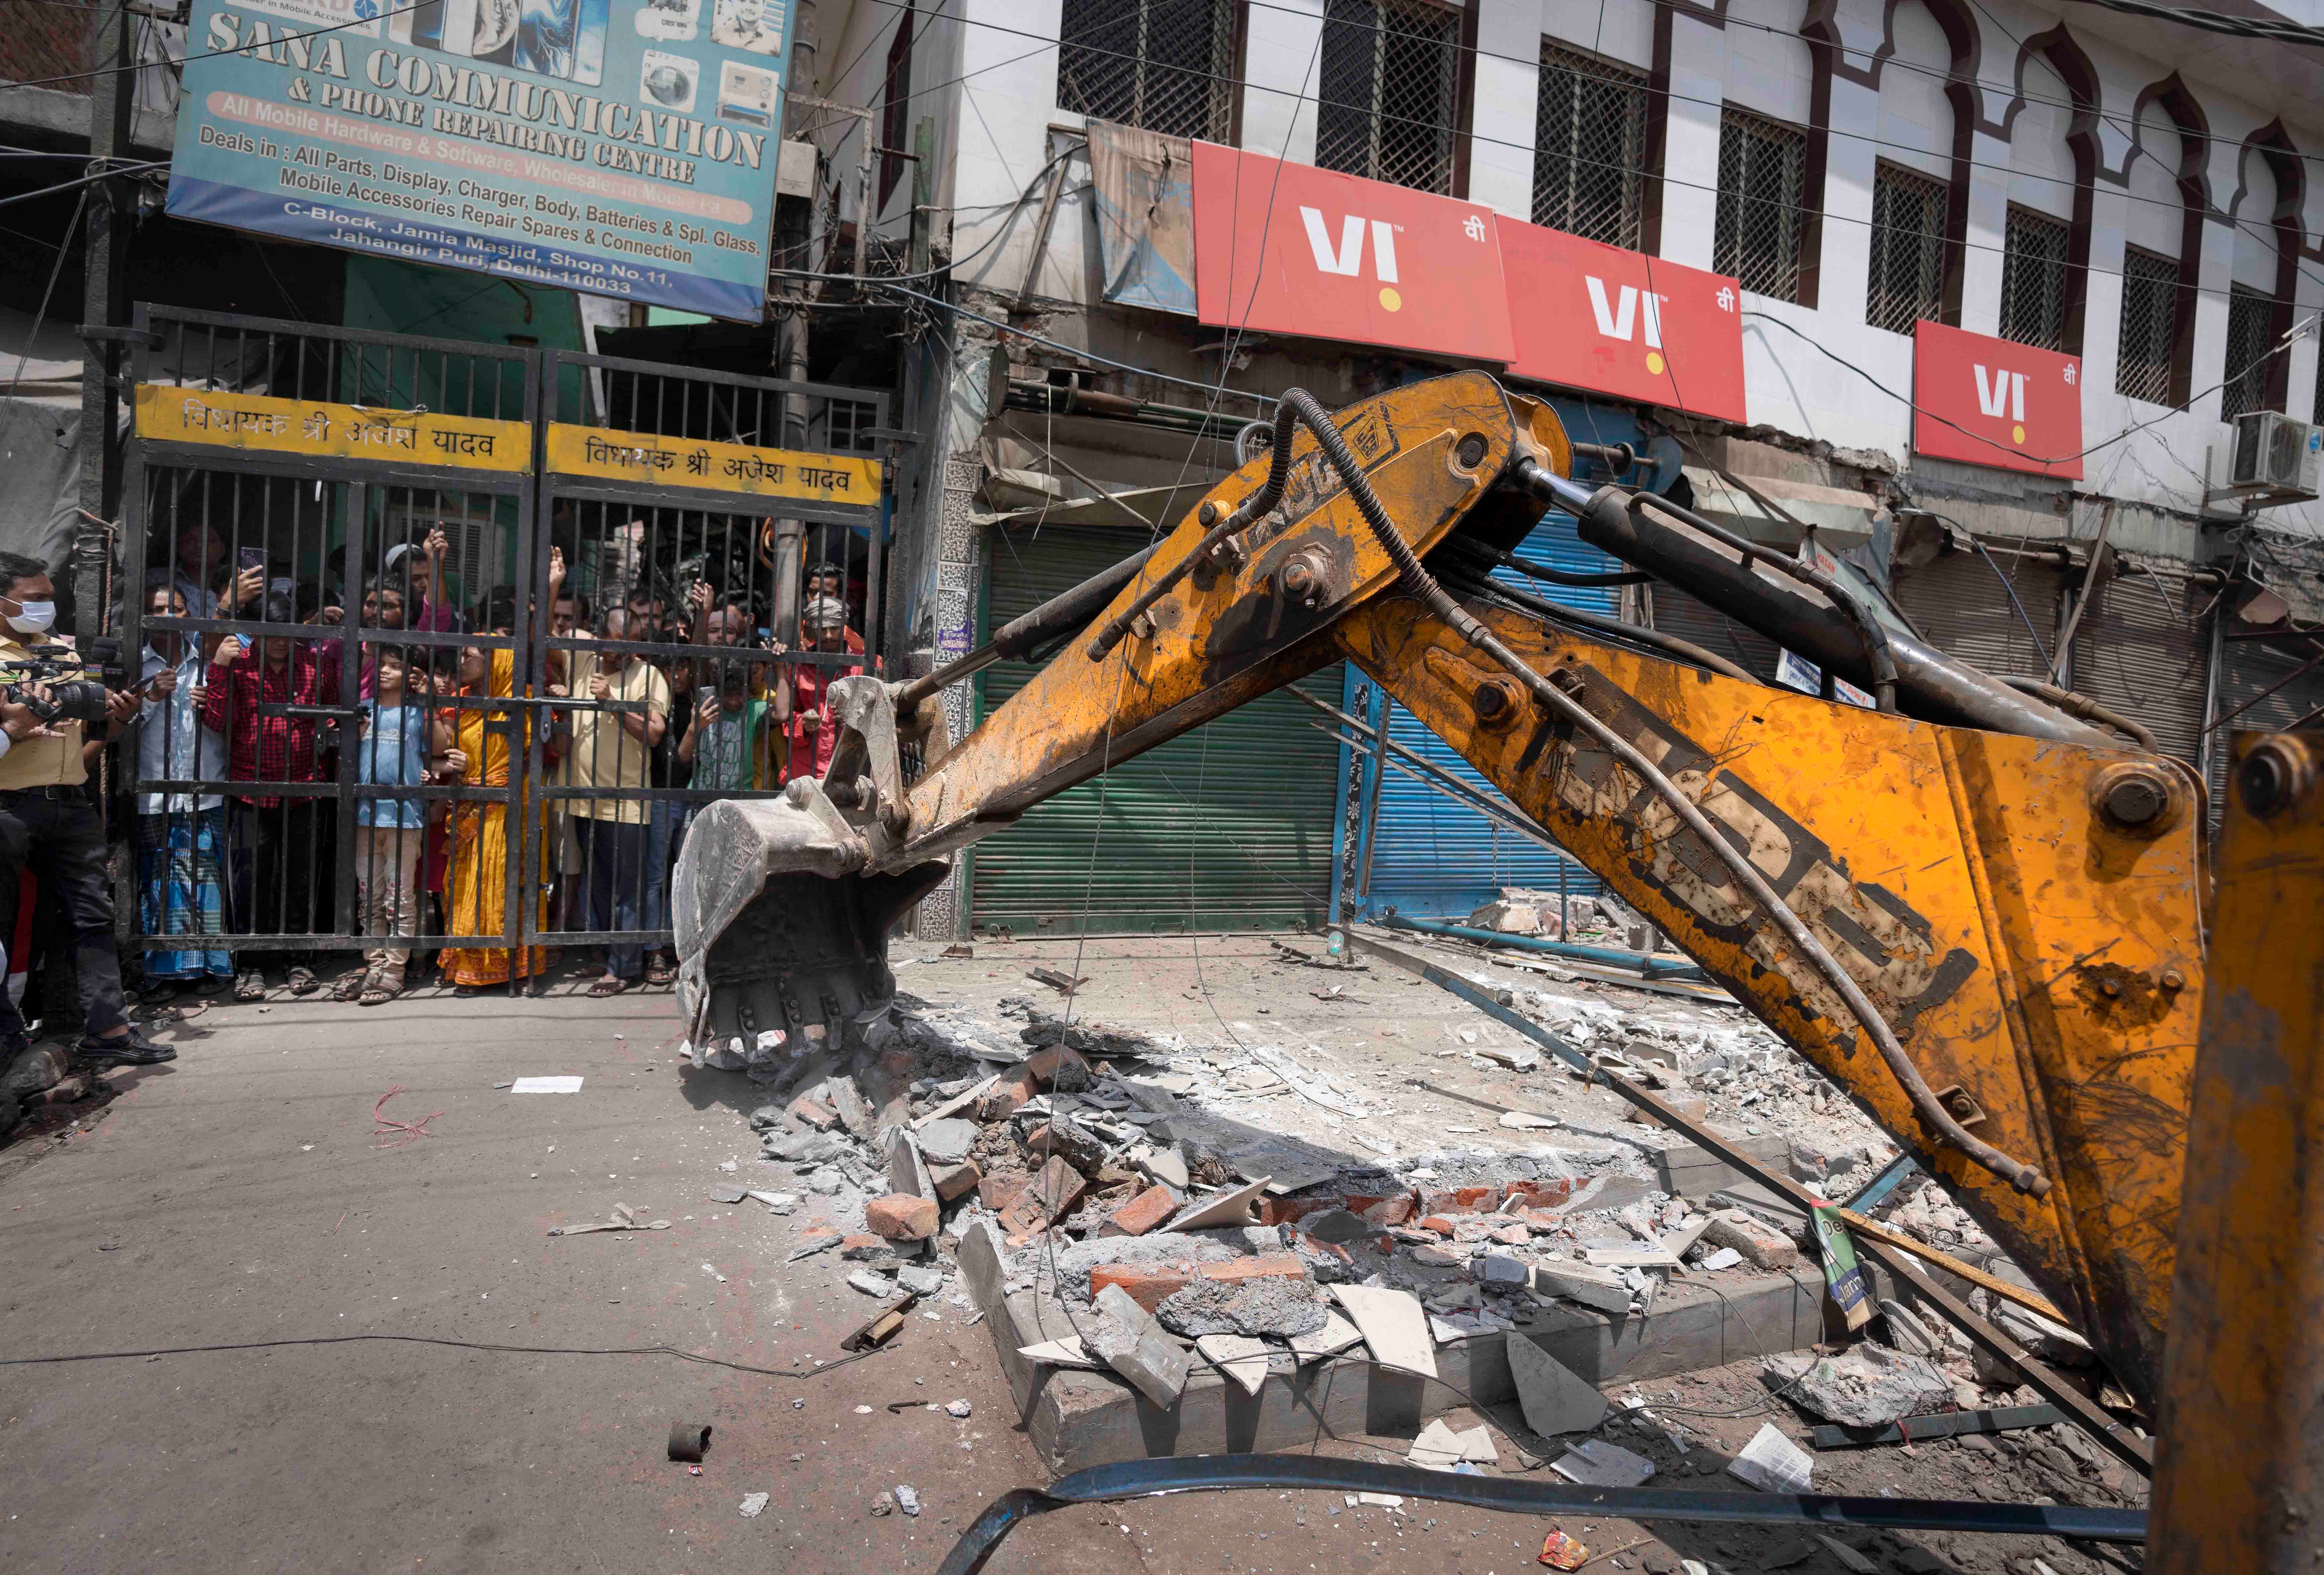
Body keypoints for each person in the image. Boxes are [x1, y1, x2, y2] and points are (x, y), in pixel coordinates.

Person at [0, 553, 173, 1067]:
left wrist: (121, 717)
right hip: (8, 809)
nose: (45, 607)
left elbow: (94, 734)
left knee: (93, 917)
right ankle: (8, 1037)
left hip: (70, 803)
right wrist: (16, 725)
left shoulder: (66, 653)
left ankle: (110, 1030)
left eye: (49, 597)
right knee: (2, 922)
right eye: (34, 599)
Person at [201, 591, 343, 999]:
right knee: (251, 879)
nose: (281, 640)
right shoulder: (237, 665)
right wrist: (219, 667)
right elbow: (216, 721)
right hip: (250, 788)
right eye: (272, 632)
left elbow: (334, 716)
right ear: (254, 631)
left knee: (301, 877)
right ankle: (251, 964)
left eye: (287, 631)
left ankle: (298, 959)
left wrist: (331, 729)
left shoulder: (317, 666)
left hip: (307, 787)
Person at [556, 605, 670, 996]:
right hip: (584, 797)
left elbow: (654, 733)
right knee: (598, 883)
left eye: (632, 645)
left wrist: (613, 703)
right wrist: (554, 583)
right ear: (600, 638)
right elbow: (548, 639)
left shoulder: (648, 675)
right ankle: (608, 954)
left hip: (626, 801)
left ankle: (623, 967)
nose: (625, 652)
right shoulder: (585, 662)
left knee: (625, 888)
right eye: (616, 643)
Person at [434, 638, 551, 995]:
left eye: (469, 655)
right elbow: (444, 747)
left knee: (504, 884)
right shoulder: (462, 699)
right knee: (465, 885)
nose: (461, 661)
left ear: (496, 660)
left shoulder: (521, 701)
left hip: (511, 807)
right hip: (469, 806)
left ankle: (512, 968)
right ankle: (469, 967)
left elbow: (532, 752)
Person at [134, 584, 232, 997]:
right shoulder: (136, 663)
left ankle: (209, 967)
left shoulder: (208, 664)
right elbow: (116, 726)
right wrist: (151, 696)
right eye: (158, 610)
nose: (168, 617)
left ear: (188, 612)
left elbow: (234, 717)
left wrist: (213, 702)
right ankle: (164, 971)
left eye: (175, 609)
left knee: (205, 879)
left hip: (206, 787)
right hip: (154, 792)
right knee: (160, 882)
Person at [340, 645, 443, 1005]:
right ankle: (375, 964)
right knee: (368, 896)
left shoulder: (417, 713)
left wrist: (429, 702)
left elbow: (441, 746)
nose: (385, 671)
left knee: (398, 897)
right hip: (366, 815)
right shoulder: (363, 710)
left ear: (410, 674)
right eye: (382, 665)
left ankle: (395, 970)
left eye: (395, 666)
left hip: (404, 816)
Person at [775, 595, 864, 784]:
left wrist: (856, 718)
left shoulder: (864, 665)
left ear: (844, 627)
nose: (829, 636)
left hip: (850, 769)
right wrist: (802, 723)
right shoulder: (799, 666)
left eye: (835, 628)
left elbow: (882, 715)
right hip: (806, 770)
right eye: (823, 629)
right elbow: (784, 716)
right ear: (813, 629)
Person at [679, 653, 777, 797]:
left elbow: (782, 715)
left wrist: (781, 669)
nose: (733, 701)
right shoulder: (707, 710)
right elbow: (683, 757)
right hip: (700, 797)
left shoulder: (754, 710)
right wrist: (695, 728)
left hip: (737, 800)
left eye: (739, 695)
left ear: (748, 692)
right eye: (727, 695)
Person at [805, 562, 865, 653]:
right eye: (813, 592)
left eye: (826, 594)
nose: (817, 598)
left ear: (840, 598)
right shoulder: (792, 631)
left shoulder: (854, 644)